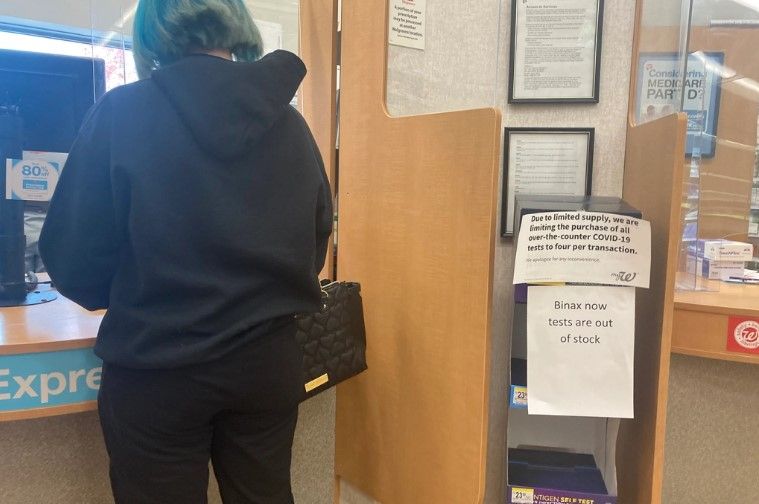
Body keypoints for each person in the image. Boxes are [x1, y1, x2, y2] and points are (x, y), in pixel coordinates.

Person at [39, 0, 333, 502]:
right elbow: (315, 237)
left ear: (152, 34)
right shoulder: (289, 124)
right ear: (236, 25)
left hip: (158, 366)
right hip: (266, 364)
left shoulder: (122, 113)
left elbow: (72, 257)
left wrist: (127, 291)